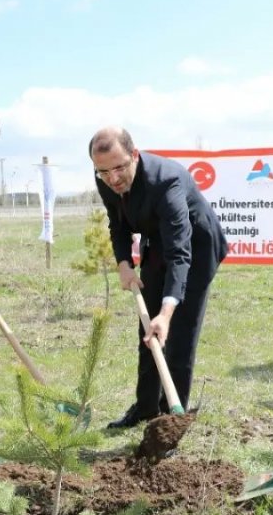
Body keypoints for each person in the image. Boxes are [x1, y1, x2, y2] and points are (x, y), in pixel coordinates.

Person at [90, 127, 229, 427]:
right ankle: (146, 407)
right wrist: (124, 263)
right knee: (148, 329)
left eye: (119, 167)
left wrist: (167, 312)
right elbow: (118, 223)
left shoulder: (166, 182)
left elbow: (181, 253)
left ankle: (170, 420)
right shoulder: (104, 179)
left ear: (134, 155)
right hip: (156, 243)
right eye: (103, 171)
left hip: (196, 247)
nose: (112, 178)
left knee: (177, 332)